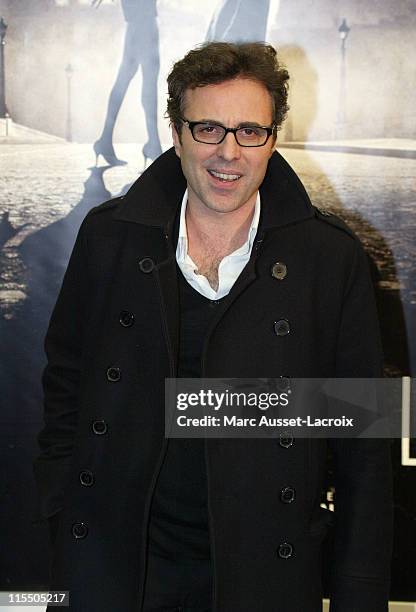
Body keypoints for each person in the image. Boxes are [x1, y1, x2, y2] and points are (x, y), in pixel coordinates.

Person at [34, 42, 393, 611]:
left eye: (250, 131)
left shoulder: (330, 259)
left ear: (272, 138)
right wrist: (62, 514)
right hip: (119, 568)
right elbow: (65, 393)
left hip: (266, 572)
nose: (229, 152)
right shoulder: (108, 240)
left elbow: (364, 448)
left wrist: (360, 594)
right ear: (176, 133)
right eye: (208, 129)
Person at [92, 0, 162, 167]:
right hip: (143, 22)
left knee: (127, 79)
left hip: (138, 22)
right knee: (147, 81)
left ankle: (106, 139)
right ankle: (153, 144)